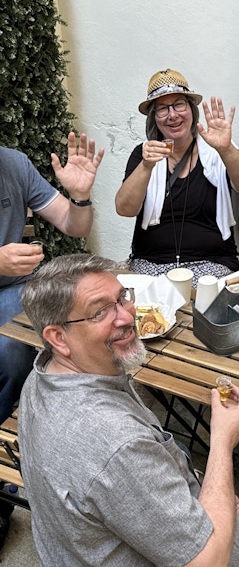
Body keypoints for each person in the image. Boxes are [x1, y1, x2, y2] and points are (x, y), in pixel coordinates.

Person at [18, 253, 239, 567]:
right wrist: (222, 441)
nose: (126, 316)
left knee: (177, 449)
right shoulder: (117, 443)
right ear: (58, 337)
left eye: (122, 298)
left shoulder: (41, 377)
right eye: (99, 312)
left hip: (74, 550)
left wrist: (210, 487)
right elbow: (208, 562)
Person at [0, 131, 104, 548]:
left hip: (13, 292)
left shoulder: (13, 162)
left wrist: (79, 196)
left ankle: (58, 445)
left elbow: (73, 224)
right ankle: (13, 458)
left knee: (67, 329)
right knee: (10, 350)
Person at [115, 68, 239, 288]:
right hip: (150, 265)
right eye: (163, 108)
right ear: (154, 117)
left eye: (179, 105)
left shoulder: (216, 150)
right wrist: (146, 167)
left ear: (191, 110)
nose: (173, 115)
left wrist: (226, 149)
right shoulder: (144, 154)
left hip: (211, 265)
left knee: (197, 308)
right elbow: (125, 209)